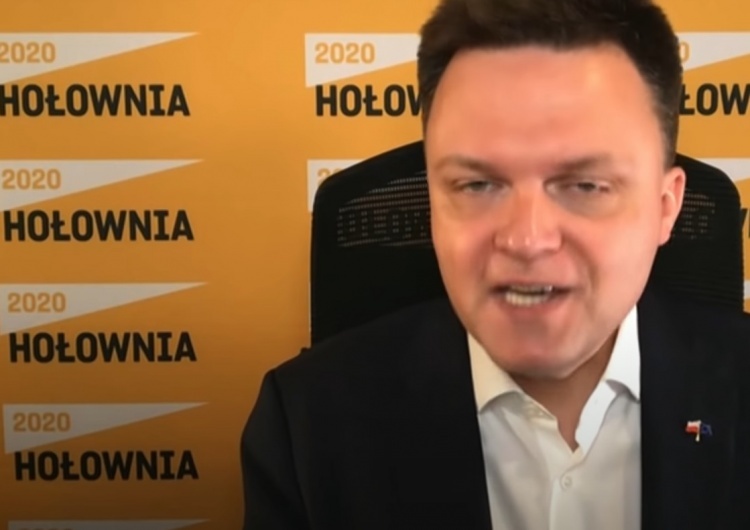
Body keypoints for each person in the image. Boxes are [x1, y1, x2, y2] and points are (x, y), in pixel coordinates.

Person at [240, 0, 750, 528]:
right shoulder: (305, 430)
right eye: (478, 185)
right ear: (432, 203)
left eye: (585, 185)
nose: (527, 240)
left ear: (665, 207)